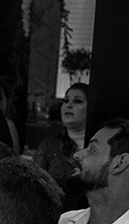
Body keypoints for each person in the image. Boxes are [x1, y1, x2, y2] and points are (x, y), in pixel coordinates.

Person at [33, 83, 90, 212]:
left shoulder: (100, 148)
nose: (69, 105)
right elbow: (33, 185)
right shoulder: (49, 145)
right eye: (66, 101)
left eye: (77, 101)